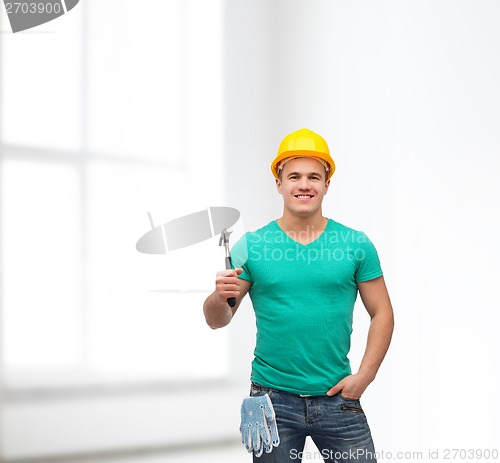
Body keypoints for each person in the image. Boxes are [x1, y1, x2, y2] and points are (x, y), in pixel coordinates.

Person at [203, 128, 394, 462]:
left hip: (338, 399)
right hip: (272, 400)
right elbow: (217, 320)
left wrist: (365, 376)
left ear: (326, 184)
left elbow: (382, 312)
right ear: (279, 184)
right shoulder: (253, 245)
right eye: (294, 176)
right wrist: (220, 297)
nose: (304, 185)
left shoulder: (355, 244)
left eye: (313, 177)